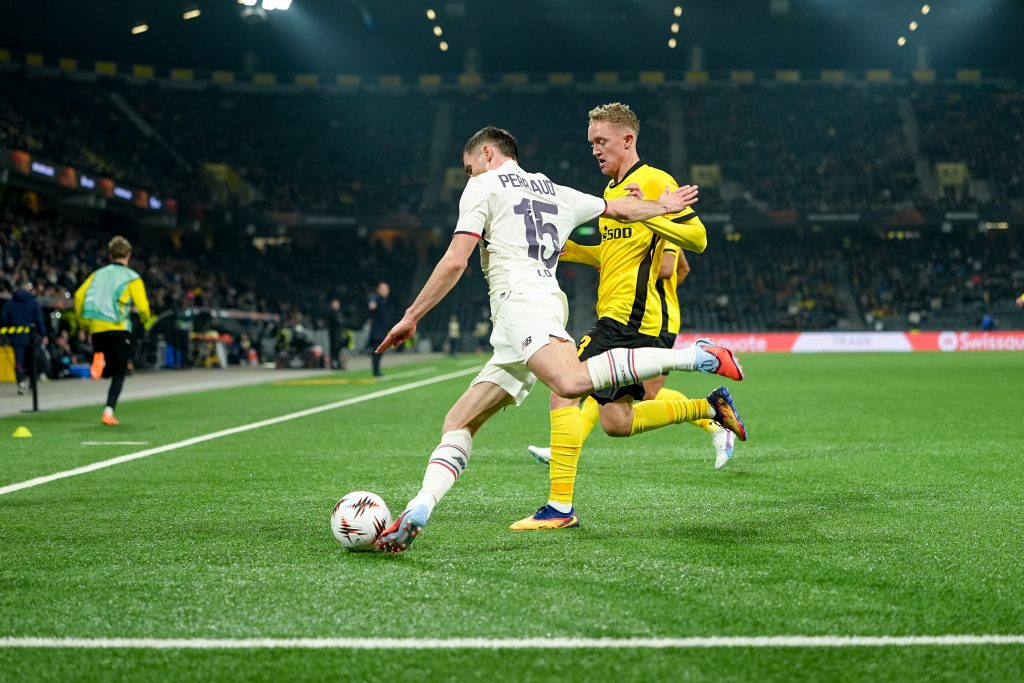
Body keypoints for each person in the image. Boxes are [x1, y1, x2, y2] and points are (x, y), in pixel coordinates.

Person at [373, 126, 745, 553]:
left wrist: (411, 316)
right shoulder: (553, 189)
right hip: (541, 308)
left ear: (488, 153)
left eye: (469, 167)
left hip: (521, 305)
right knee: (458, 422)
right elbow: (620, 210)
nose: (468, 175)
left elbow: (456, 261)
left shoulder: (483, 186)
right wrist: (662, 205)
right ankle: (419, 508)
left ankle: (692, 357)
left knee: (568, 385)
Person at [514, 102, 741, 531]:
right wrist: (568, 250)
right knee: (617, 422)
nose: (595, 150)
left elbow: (697, 238)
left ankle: (559, 508)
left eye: (601, 141)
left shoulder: (654, 180)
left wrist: (653, 214)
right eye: (591, 143)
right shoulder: (611, 193)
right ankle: (709, 409)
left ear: (628, 139)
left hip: (631, 318)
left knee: (564, 386)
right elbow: (612, 254)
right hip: (619, 316)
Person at [527, 248, 736, 470]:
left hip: (653, 320)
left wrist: (621, 266)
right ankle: (564, 445)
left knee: (638, 391)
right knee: (607, 403)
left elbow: (667, 268)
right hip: (636, 317)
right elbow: (683, 268)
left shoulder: (659, 230)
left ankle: (713, 420)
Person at [74, 236, 153, 425]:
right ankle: (108, 412)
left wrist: (83, 323)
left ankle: (99, 359)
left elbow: (78, 296)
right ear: (129, 255)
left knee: (109, 364)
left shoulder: (97, 275)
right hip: (118, 328)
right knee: (119, 371)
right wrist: (146, 322)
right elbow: (143, 307)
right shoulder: (132, 277)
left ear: (110, 255)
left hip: (97, 329)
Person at [0, 280, 47, 395]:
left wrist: (8, 332)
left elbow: (3, 319)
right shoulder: (33, 303)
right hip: (31, 337)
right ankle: (32, 384)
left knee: (19, 361)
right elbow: (39, 320)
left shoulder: (10, 303)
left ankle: (20, 382)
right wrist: (43, 334)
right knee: (32, 361)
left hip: (17, 337)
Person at [367, 282, 392, 377]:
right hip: (377, 331)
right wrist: (372, 303)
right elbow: (373, 301)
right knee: (376, 351)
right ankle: (376, 371)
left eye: (386, 289)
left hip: (383, 331)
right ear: (378, 290)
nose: (385, 291)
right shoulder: (376, 298)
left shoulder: (386, 301)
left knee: (380, 351)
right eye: (383, 289)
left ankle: (377, 371)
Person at [327, 298, 349, 370]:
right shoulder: (332, 313)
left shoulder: (339, 313)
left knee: (338, 350)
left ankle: (339, 364)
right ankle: (333, 365)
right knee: (334, 350)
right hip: (334, 335)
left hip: (339, 335)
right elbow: (339, 322)